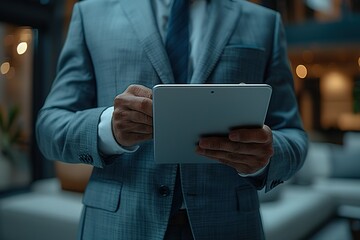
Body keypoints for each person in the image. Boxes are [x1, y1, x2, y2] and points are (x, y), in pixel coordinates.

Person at [36, 0, 308, 239]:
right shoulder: (90, 13)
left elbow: (294, 135)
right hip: (118, 227)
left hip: (230, 227)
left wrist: (265, 157)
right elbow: (49, 128)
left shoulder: (264, 22)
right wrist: (109, 128)